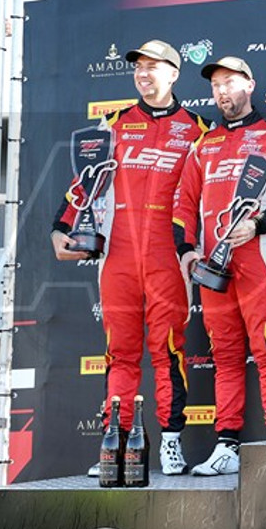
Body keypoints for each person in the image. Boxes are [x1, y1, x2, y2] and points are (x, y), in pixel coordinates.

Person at [52, 38, 209, 477]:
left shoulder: (197, 129)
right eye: (138, 68)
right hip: (118, 253)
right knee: (120, 352)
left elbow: (209, 194)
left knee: (168, 350)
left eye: (152, 67)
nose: (143, 74)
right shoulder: (114, 124)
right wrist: (61, 227)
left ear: (173, 73)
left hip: (168, 256)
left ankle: (171, 442)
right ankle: (116, 443)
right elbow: (84, 182)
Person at [172, 56, 266, 475]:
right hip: (214, 266)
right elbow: (182, 204)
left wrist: (259, 224)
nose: (223, 92)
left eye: (230, 82)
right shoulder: (203, 145)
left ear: (250, 85)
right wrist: (187, 250)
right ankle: (227, 443)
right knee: (225, 354)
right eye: (216, 86)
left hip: (258, 260)